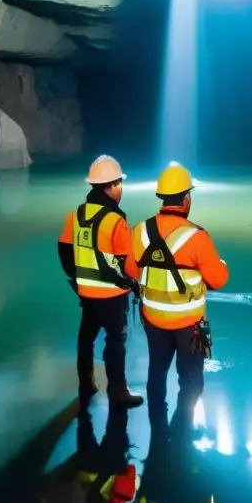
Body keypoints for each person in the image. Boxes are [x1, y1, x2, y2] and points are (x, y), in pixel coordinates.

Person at [131, 162, 229, 427]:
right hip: (189, 325)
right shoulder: (197, 237)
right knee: (191, 381)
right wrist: (221, 264)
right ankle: (182, 430)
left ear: (162, 197)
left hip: (153, 320)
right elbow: (218, 279)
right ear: (186, 198)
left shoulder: (139, 231)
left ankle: (157, 429)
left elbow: (132, 270)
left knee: (157, 372)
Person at [59, 155, 143, 408]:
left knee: (86, 337)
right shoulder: (115, 221)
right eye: (120, 183)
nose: (121, 189)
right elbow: (126, 263)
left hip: (86, 292)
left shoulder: (76, 215)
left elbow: (64, 250)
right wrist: (135, 284)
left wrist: (77, 279)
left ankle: (86, 384)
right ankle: (118, 391)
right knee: (115, 341)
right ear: (113, 185)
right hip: (111, 295)